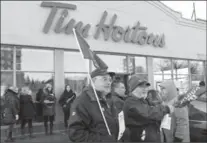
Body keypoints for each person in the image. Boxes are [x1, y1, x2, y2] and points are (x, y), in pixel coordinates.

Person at [68, 69, 119, 142]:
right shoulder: (82, 101)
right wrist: (104, 140)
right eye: (104, 79)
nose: (109, 82)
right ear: (93, 81)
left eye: (110, 80)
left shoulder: (107, 98)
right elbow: (76, 133)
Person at [123, 75, 173, 142]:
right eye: (141, 86)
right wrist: (166, 109)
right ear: (133, 88)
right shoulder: (131, 102)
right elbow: (148, 113)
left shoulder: (142, 101)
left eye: (146, 86)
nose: (145, 89)